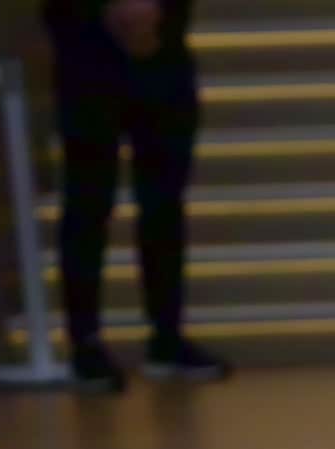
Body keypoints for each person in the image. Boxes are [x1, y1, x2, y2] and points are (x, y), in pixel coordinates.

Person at [43, 0, 230, 392]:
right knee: (88, 204)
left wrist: (157, 13)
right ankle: (85, 341)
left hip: (163, 56)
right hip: (86, 59)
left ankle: (166, 336)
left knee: (164, 205)